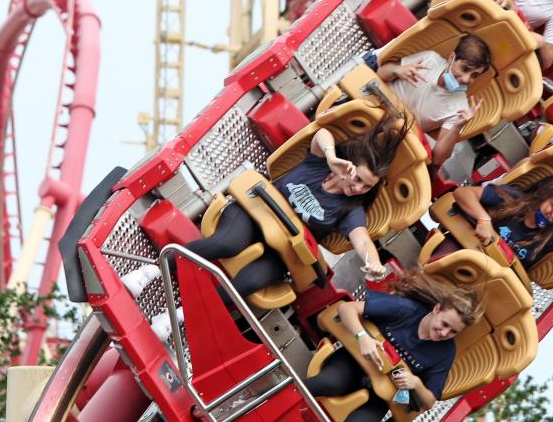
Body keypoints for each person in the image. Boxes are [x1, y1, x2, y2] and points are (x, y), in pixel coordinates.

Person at [123, 113, 414, 315]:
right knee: (227, 243)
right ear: (349, 165)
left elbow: (362, 240)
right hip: (254, 212)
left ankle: (183, 316)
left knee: (250, 283)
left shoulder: (351, 209)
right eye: (358, 178)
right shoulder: (320, 165)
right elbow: (320, 134)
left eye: (366, 186)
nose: (357, 186)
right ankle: (150, 271)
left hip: (282, 249)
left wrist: (373, 263)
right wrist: (331, 158)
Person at [302, 269, 484, 422]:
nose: (444, 333)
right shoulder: (405, 310)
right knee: (329, 383)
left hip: (381, 395)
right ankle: (277, 402)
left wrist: (416, 383)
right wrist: (363, 338)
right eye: (444, 324)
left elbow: (429, 401)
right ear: (437, 309)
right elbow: (346, 309)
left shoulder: (445, 353)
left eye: (453, 331)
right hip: (355, 364)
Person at [447, 175, 553, 282]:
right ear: (541, 195)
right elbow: (462, 193)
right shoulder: (512, 197)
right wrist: (484, 220)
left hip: (490, 278)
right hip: (465, 250)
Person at [376, 34, 491, 167]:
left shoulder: (459, 108)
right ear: (452, 58)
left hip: (390, 135)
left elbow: (437, 159)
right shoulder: (430, 59)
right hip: (374, 105)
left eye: (474, 75)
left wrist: (457, 126)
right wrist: (398, 70)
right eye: (464, 69)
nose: (465, 79)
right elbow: (380, 73)